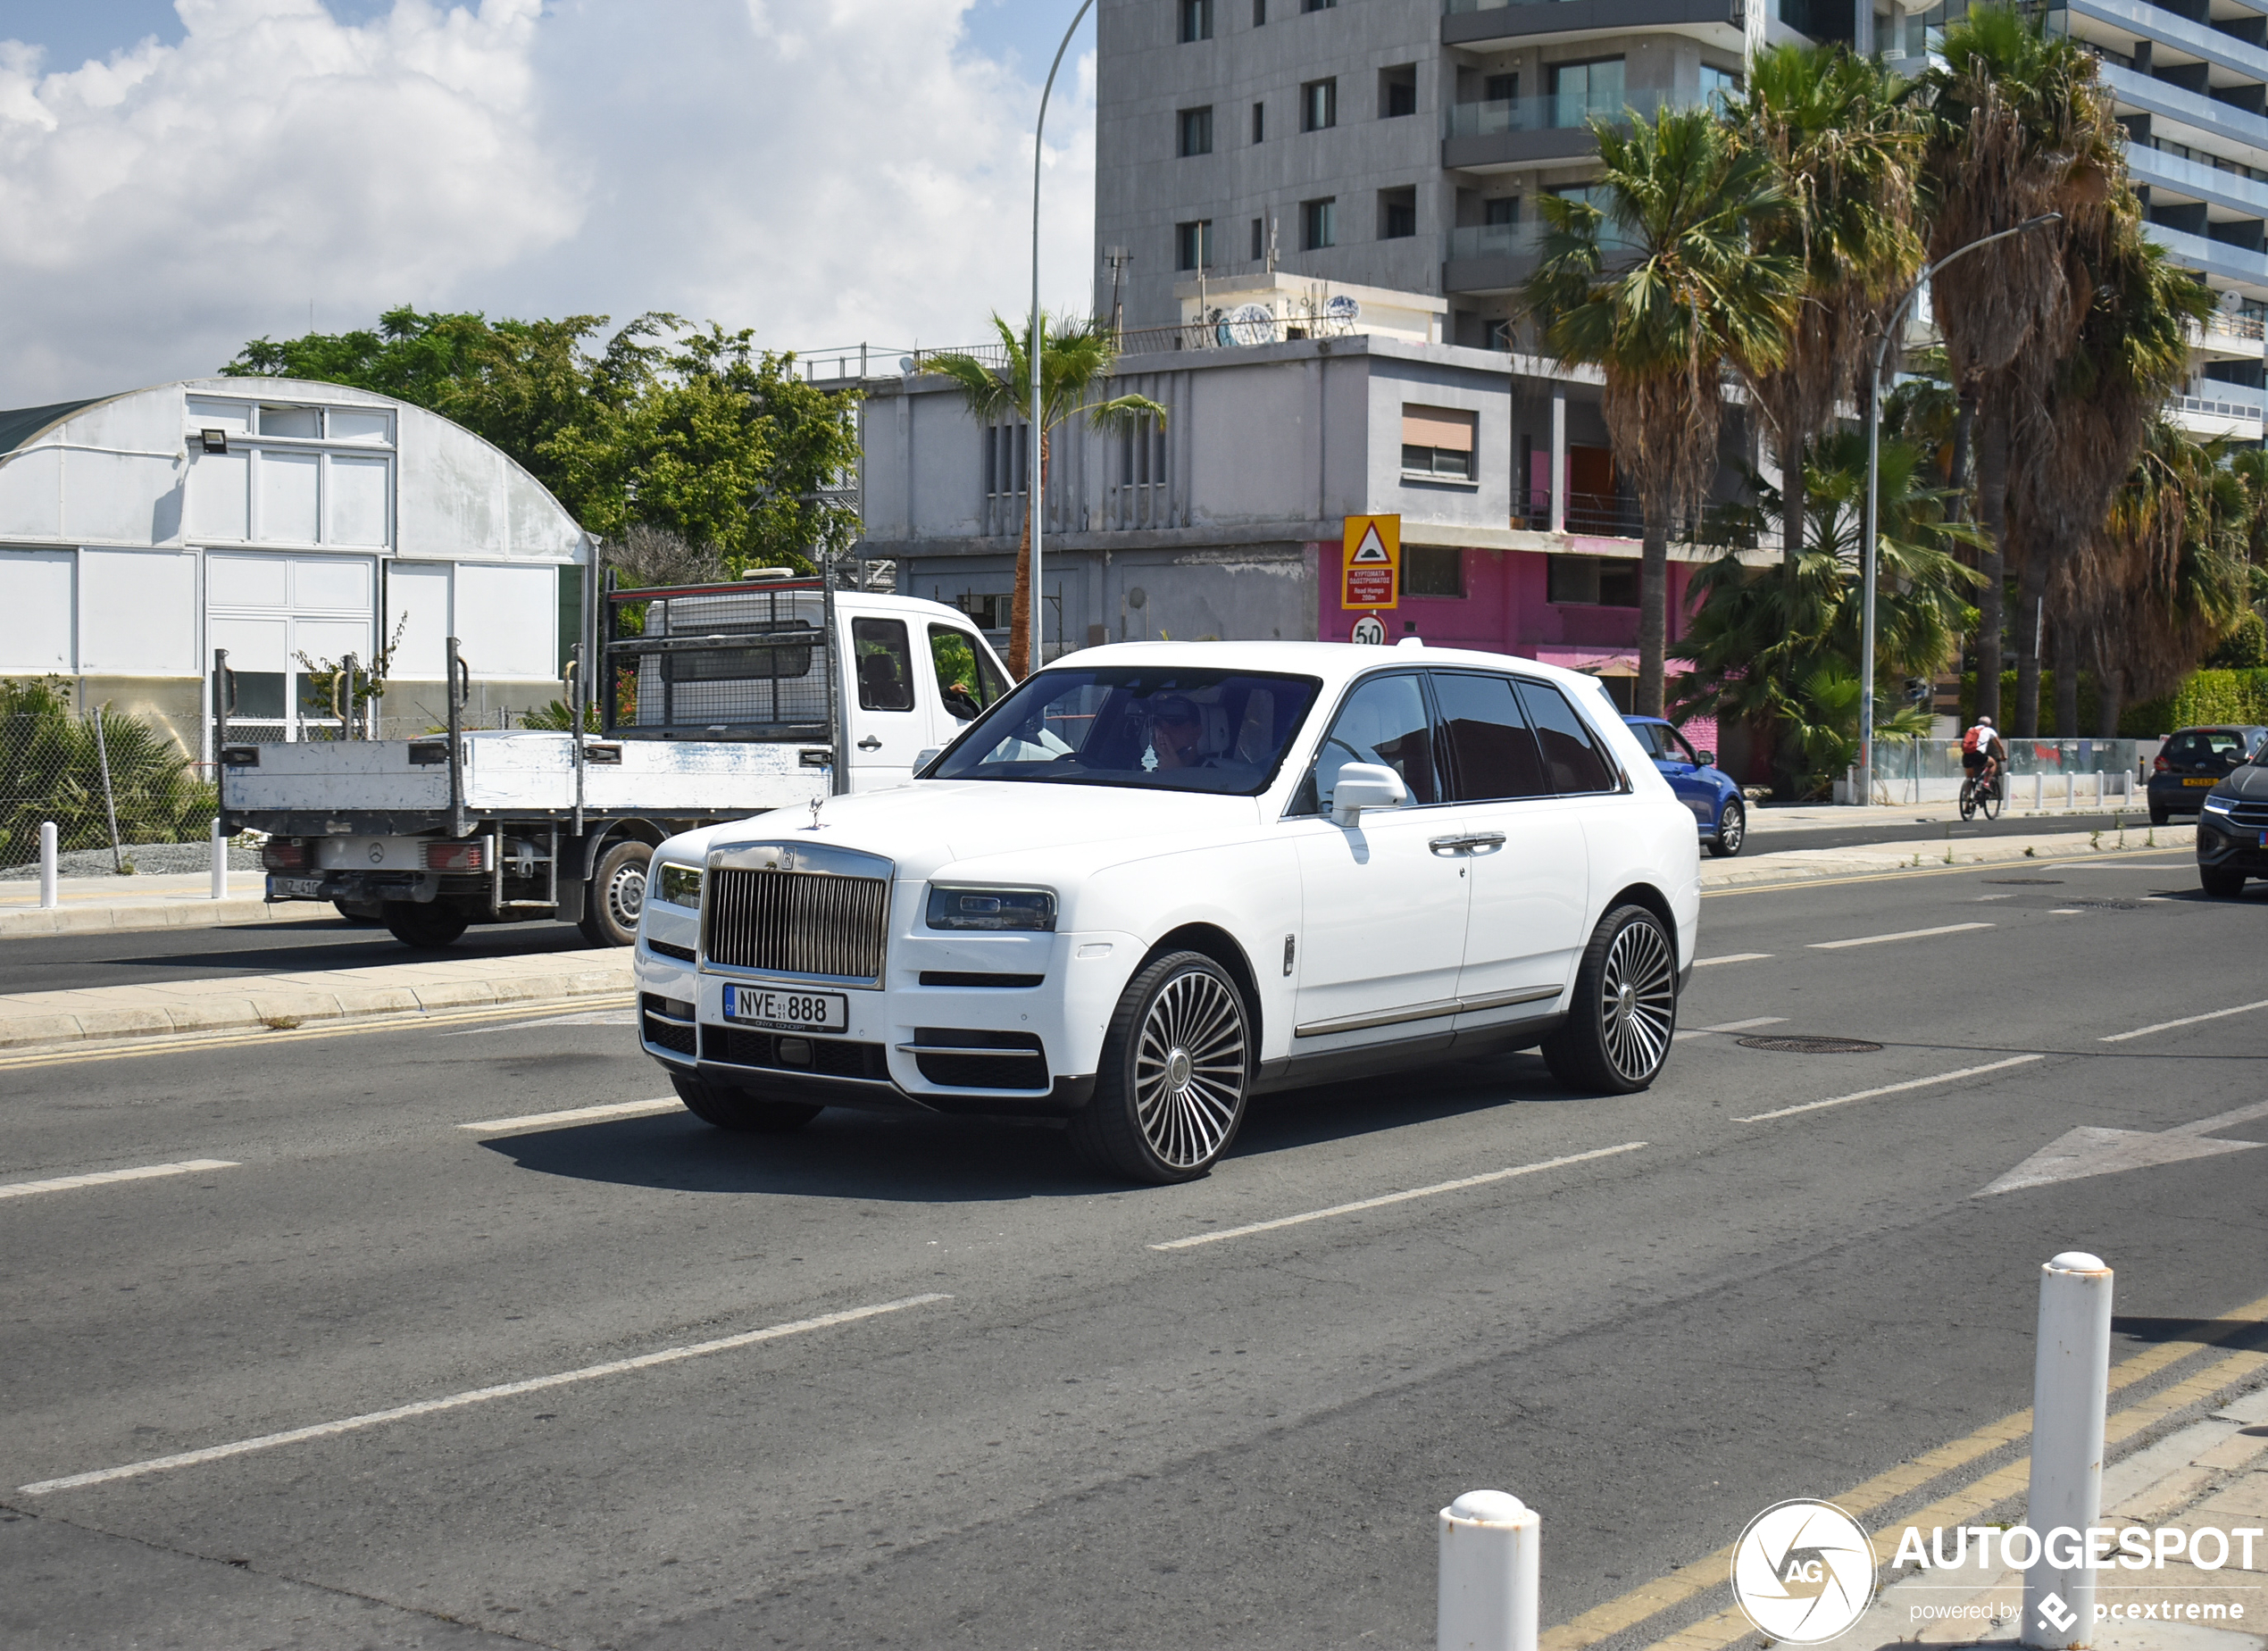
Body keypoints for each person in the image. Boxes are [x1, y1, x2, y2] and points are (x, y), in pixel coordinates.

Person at [1963, 713, 2007, 796]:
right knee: (1992, 763)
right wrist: (2003, 756)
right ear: (1988, 724)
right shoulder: (1989, 730)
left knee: (1970, 778)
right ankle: (1986, 783)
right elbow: (1999, 745)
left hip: (1966, 754)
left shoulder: (1971, 729)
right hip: (1978, 754)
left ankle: (1967, 798)